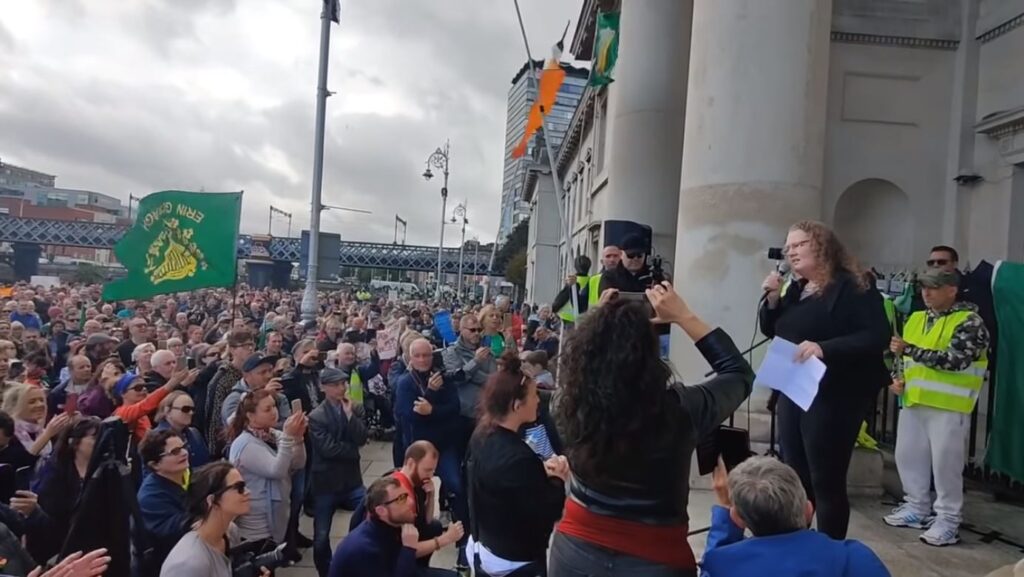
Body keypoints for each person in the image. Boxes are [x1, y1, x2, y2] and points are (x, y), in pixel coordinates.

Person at [549, 282, 753, 576]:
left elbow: (577, 367)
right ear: (650, 353)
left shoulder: (567, 404)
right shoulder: (682, 409)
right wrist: (683, 316)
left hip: (575, 550)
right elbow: (739, 373)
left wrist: (599, 318)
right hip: (655, 558)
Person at [759, 221, 890, 540]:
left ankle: (829, 551)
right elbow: (773, 330)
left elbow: (877, 335)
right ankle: (798, 544)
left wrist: (824, 348)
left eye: (799, 244)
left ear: (822, 245)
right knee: (796, 474)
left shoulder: (853, 284)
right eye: (788, 247)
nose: (791, 251)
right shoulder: (796, 288)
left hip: (835, 392)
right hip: (794, 388)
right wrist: (773, 299)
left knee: (825, 479)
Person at [885, 269, 989, 546]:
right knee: (908, 457)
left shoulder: (970, 321)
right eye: (924, 288)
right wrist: (899, 380)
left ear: (952, 289)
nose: (926, 293)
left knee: (946, 466)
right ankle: (916, 507)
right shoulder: (916, 318)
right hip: (914, 401)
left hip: (949, 406)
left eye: (934, 288)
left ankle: (948, 520)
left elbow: (956, 361)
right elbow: (901, 361)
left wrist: (910, 350)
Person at [700, 457, 890, 577]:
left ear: (738, 519)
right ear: (808, 510)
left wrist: (725, 513)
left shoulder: (720, 566)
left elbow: (722, 562)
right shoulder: (856, 558)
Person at [467, 352, 568, 577]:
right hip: (514, 560)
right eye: (534, 395)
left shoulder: (482, 433)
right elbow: (546, 512)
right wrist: (557, 479)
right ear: (516, 405)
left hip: (485, 542)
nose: (538, 400)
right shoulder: (517, 457)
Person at [395, 338, 466, 567]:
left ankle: (463, 539)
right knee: (413, 496)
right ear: (410, 358)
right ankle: (414, 542)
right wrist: (431, 396)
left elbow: (454, 409)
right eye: (418, 356)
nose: (423, 360)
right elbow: (411, 414)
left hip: (444, 446)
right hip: (418, 449)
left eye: (427, 355)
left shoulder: (442, 378)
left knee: (456, 484)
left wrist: (432, 409)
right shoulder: (406, 382)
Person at [349, 441, 465, 572]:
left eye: (433, 470)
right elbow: (407, 549)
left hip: (399, 547)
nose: (431, 475)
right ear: (410, 463)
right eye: (427, 470)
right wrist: (445, 539)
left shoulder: (415, 481)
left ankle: (420, 566)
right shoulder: (399, 495)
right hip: (389, 561)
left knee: (435, 526)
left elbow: (426, 521)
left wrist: (431, 496)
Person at [159, 462, 270, 577]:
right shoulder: (189, 563)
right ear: (212, 501)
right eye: (239, 488)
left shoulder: (230, 531)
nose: (248, 492)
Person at [308, 367, 369, 576]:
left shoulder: (356, 408)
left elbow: (362, 437)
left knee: (369, 513)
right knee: (321, 537)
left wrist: (350, 417)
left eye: (343, 383)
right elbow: (328, 449)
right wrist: (353, 451)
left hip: (351, 481)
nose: (341, 388)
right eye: (335, 385)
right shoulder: (316, 417)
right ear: (324, 387)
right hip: (326, 484)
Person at [226, 389, 307, 544]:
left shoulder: (272, 435)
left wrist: (298, 439)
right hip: (256, 524)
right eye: (267, 409)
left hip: (275, 518)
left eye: (274, 406)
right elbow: (276, 470)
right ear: (250, 416)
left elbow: (298, 463)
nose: (274, 412)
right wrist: (288, 437)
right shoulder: (245, 443)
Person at [328, 476, 452, 577]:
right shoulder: (364, 549)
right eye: (401, 499)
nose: (410, 502)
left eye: (407, 495)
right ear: (381, 511)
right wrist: (408, 548)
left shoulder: (387, 524)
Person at [136, 429, 191, 574]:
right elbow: (176, 531)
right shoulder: (150, 498)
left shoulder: (188, 476)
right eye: (175, 452)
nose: (184, 453)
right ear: (155, 465)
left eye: (184, 447)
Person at [204, 329, 256, 456]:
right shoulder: (223, 378)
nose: (250, 349)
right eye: (244, 346)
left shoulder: (254, 372)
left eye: (251, 345)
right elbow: (215, 416)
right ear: (232, 350)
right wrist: (217, 448)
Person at [113, 368, 198, 443]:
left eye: (145, 386)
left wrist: (181, 384)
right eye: (138, 388)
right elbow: (148, 403)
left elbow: (156, 399)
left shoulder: (141, 411)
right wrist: (171, 383)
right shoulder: (122, 413)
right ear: (122, 394)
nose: (144, 389)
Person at [221, 353, 291, 429]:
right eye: (263, 372)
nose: (269, 376)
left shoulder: (278, 395)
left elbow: (286, 425)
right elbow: (236, 428)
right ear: (247, 376)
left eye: (270, 370)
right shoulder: (234, 399)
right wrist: (262, 398)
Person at [3, 384, 72, 460]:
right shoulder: (8, 433)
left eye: (42, 400)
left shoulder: (44, 429)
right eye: (32, 402)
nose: (40, 404)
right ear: (15, 406)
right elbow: (22, 461)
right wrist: (46, 435)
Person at [155, 390, 211, 470]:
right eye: (185, 409)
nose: (191, 413)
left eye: (192, 409)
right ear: (167, 411)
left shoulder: (195, 433)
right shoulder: (156, 438)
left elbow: (206, 462)